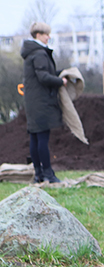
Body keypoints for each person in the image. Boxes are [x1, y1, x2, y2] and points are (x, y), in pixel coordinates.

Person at [21, 22, 67, 184]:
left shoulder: (31, 53)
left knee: (35, 137)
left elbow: (43, 73)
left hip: (32, 101)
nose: (48, 37)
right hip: (41, 102)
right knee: (42, 138)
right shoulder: (39, 53)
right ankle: (48, 174)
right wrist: (60, 81)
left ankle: (39, 174)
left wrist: (59, 74)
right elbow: (43, 77)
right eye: (46, 34)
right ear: (38, 35)